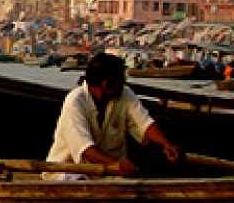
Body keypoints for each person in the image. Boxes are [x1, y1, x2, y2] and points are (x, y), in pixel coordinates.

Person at [48, 52, 182, 177]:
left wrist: (166, 144)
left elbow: (144, 123)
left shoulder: (124, 93)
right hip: (68, 171)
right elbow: (86, 150)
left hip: (109, 174)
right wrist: (116, 163)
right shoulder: (75, 101)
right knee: (78, 180)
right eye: (121, 80)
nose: (124, 84)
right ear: (107, 84)